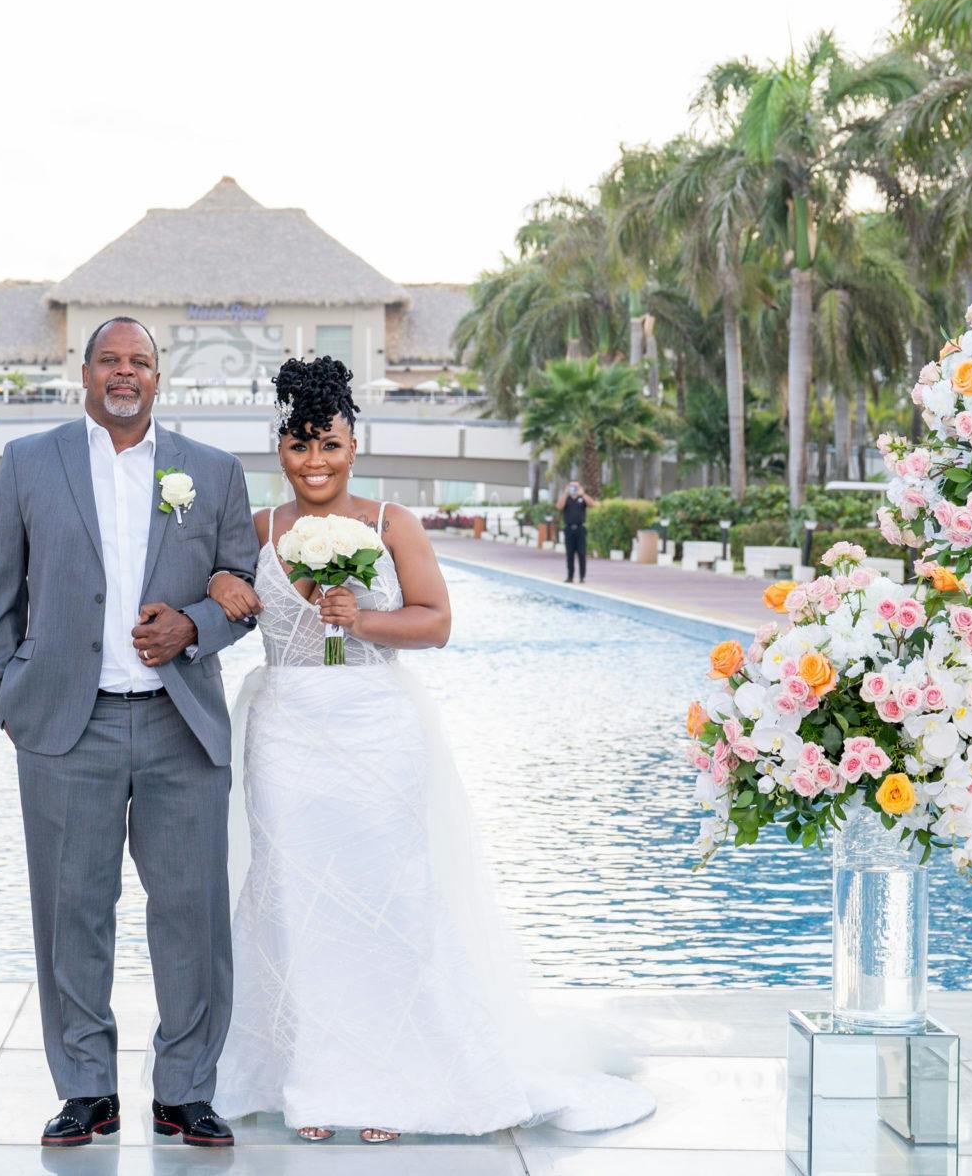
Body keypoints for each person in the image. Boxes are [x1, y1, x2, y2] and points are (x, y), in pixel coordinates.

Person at [205, 358, 653, 1141]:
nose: (316, 461)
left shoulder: (391, 526)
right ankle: (310, 1077)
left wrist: (361, 619)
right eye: (300, 445)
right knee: (293, 898)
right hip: (283, 731)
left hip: (376, 728)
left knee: (389, 898)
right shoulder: (256, 532)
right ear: (278, 447)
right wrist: (216, 581)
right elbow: (227, 605)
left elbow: (437, 622)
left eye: (331, 444)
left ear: (355, 443)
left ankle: (397, 1082)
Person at [0, 317, 259, 1150]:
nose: (123, 372)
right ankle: (86, 1089)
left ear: (158, 378)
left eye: (139, 361)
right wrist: (6, 697)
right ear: (85, 373)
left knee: (192, 912)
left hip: (181, 724)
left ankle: (186, 1089)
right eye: (109, 359)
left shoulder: (212, 471)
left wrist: (195, 624)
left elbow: (242, 587)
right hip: (68, 725)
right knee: (72, 914)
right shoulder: (32, 462)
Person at [558, 479, 593, 582]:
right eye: (572, 486)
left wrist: (583, 494)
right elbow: (559, 506)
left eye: (576, 487)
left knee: (582, 553)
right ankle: (570, 576)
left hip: (580, 529)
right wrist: (565, 493)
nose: (574, 489)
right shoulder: (566, 498)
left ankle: (582, 577)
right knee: (570, 554)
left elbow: (592, 504)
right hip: (569, 529)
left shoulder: (582, 499)